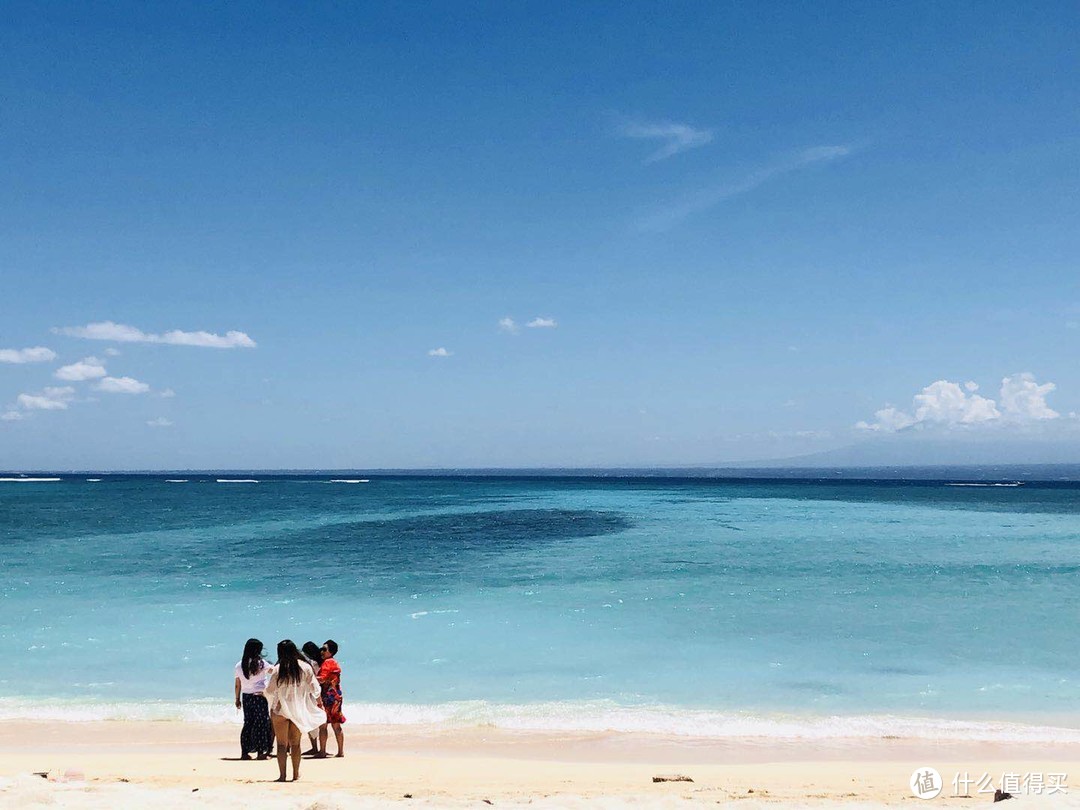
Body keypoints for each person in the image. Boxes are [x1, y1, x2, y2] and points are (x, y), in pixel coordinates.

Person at [263, 639, 324, 782]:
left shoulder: (278, 669)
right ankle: (295, 774)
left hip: (279, 710)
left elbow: (270, 690)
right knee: (296, 744)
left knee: (281, 745)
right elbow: (315, 689)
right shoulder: (305, 667)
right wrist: (318, 703)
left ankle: (282, 776)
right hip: (297, 709)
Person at [233, 638, 273, 760]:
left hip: (246, 696)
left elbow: (237, 684)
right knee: (261, 723)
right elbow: (272, 671)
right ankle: (261, 752)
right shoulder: (261, 663)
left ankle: (244, 752)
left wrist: (237, 699)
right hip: (260, 696)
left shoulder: (239, 665)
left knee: (248, 723)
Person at [315, 639, 345, 758]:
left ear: (330, 652)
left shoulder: (327, 663)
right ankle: (340, 751)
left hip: (327, 696)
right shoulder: (335, 663)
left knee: (323, 725)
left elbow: (322, 679)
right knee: (336, 724)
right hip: (337, 695)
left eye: (324, 649)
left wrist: (309, 677)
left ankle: (322, 751)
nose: (321, 651)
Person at [300, 641, 323, 755]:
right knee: (316, 721)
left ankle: (314, 747)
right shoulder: (319, 662)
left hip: (309, 694)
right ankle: (318, 747)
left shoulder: (309, 663)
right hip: (318, 692)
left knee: (310, 720)